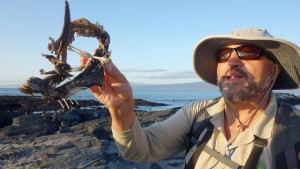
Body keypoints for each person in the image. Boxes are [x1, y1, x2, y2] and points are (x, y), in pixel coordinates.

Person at [83, 28, 300, 168]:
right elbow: (141, 150)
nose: (232, 61)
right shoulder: (198, 114)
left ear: (274, 71)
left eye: (249, 52)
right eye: (223, 55)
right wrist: (122, 109)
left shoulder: (293, 132)